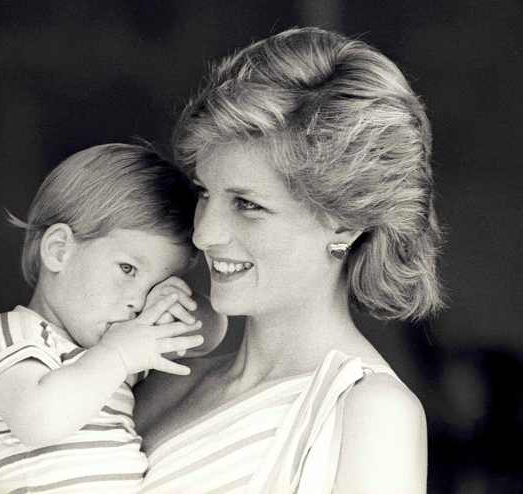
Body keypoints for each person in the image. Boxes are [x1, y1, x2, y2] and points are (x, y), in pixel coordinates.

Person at [134, 27, 443, 494]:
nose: (204, 233)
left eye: (248, 204)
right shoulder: (164, 380)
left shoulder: (370, 412)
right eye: (204, 192)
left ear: (344, 222)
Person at [0, 143, 226, 494]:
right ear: (59, 250)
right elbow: (39, 421)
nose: (138, 301)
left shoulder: (120, 346)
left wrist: (176, 302)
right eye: (128, 269)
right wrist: (119, 355)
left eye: (155, 285)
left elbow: (207, 336)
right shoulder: (14, 335)